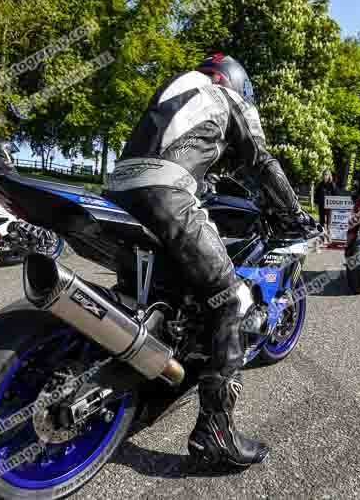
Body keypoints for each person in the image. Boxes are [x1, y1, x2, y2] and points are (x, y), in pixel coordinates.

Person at [104, 53, 318, 468]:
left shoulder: (173, 91)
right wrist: (294, 214)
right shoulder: (226, 97)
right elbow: (261, 160)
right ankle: (215, 431)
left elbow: (188, 153)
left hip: (116, 195)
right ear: (237, 82)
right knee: (232, 300)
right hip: (164, 195)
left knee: (154, 291)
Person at [315, 170, 337, 240]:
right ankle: (322, 238)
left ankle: (329, 238)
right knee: (321, 222)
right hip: (321, 205)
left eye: (326, 174)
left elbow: (335, 195)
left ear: (329, 175)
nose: (325, 176)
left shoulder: (332, 184)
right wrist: (316, 202)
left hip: (329, 206)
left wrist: (334, 203)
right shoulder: (320, 184)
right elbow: (316, 194)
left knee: (328, 223)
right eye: (324, 174)